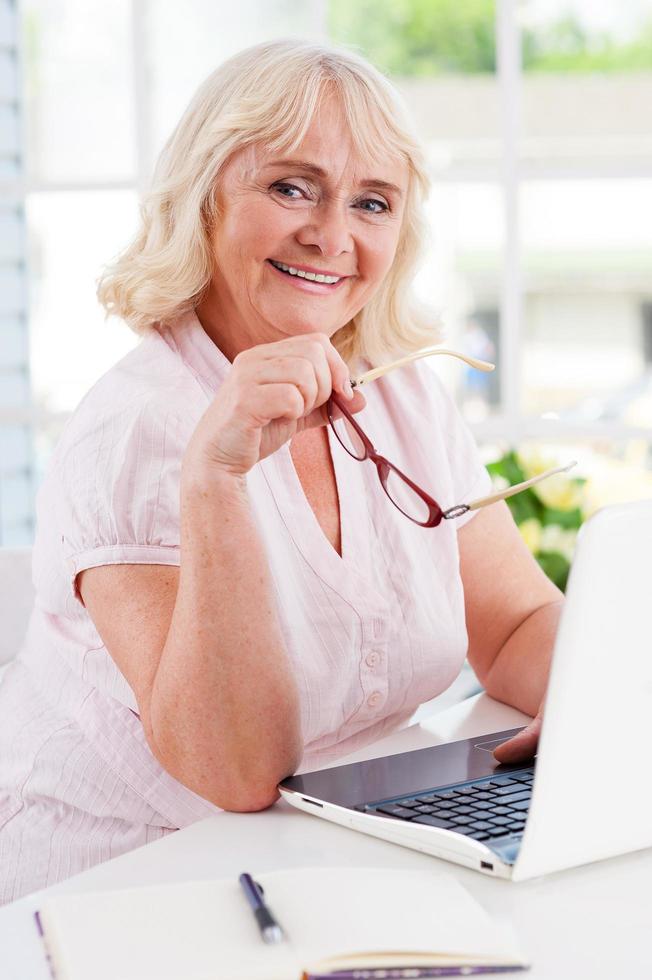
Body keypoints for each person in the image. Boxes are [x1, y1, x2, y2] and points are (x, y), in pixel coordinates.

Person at [0, 38, 561, 905]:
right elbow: (235, 770)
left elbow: (518, 622)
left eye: (372, 202)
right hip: (126, 889)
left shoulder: (403, 393)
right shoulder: (134, 431)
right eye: (290, 186)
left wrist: (607, 709)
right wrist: (216, 481)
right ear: (205, 200)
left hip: (337, 864)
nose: (331, 235)